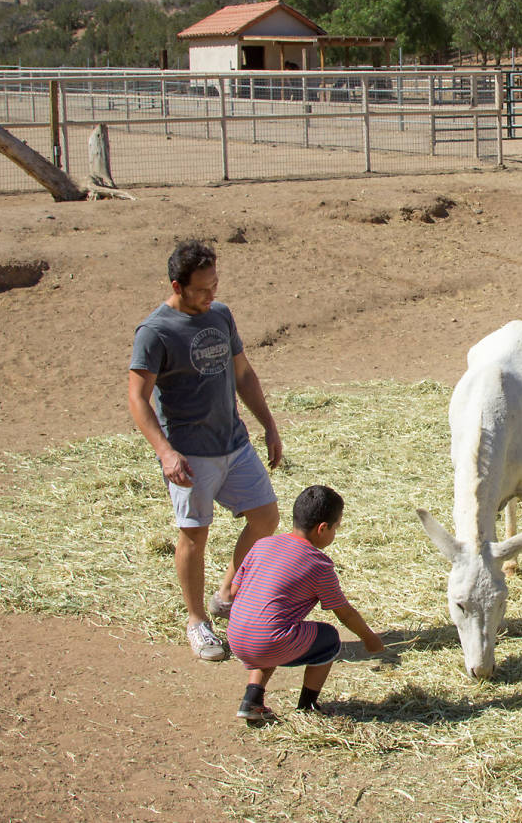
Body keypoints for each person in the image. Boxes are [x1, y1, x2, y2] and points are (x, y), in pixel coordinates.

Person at [128, 239, 283, 662]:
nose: (211, 295)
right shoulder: (155, 332)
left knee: (266, 516)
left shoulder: (220, 314)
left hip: (233, 442)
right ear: (177, 285)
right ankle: (198, 622)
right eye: (201, 289)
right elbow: (137, 398)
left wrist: (268, 424)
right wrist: (164, 452)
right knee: (195, 534)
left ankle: (228, 592)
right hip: (189, 453)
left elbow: (243, 374)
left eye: (214, 285)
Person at [226, 484, 384, 723]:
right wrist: (370, 638)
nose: (335, 534)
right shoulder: (318, 564)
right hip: (267, 642)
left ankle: (252, 699)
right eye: (336, 528)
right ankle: (308, 706)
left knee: (275, 627)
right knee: (328, 638)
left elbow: (234, 590)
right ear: (322, 529)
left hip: (236, 638)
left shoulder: (262, 545)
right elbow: (345, 614)